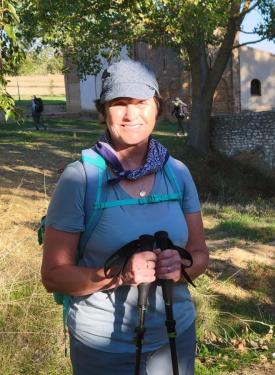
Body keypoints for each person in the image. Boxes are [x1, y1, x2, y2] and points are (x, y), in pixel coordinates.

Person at [41, 59, 208, 375]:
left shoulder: (178, 174)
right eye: (119, 104)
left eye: (141, 102)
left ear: (156, 107)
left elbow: (200, 255)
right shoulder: (81, 180)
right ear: (103, 112)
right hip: (104, 347)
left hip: (175, 338)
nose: (132, 114)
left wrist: (181, 266)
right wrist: (118, 276)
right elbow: (52, 275)